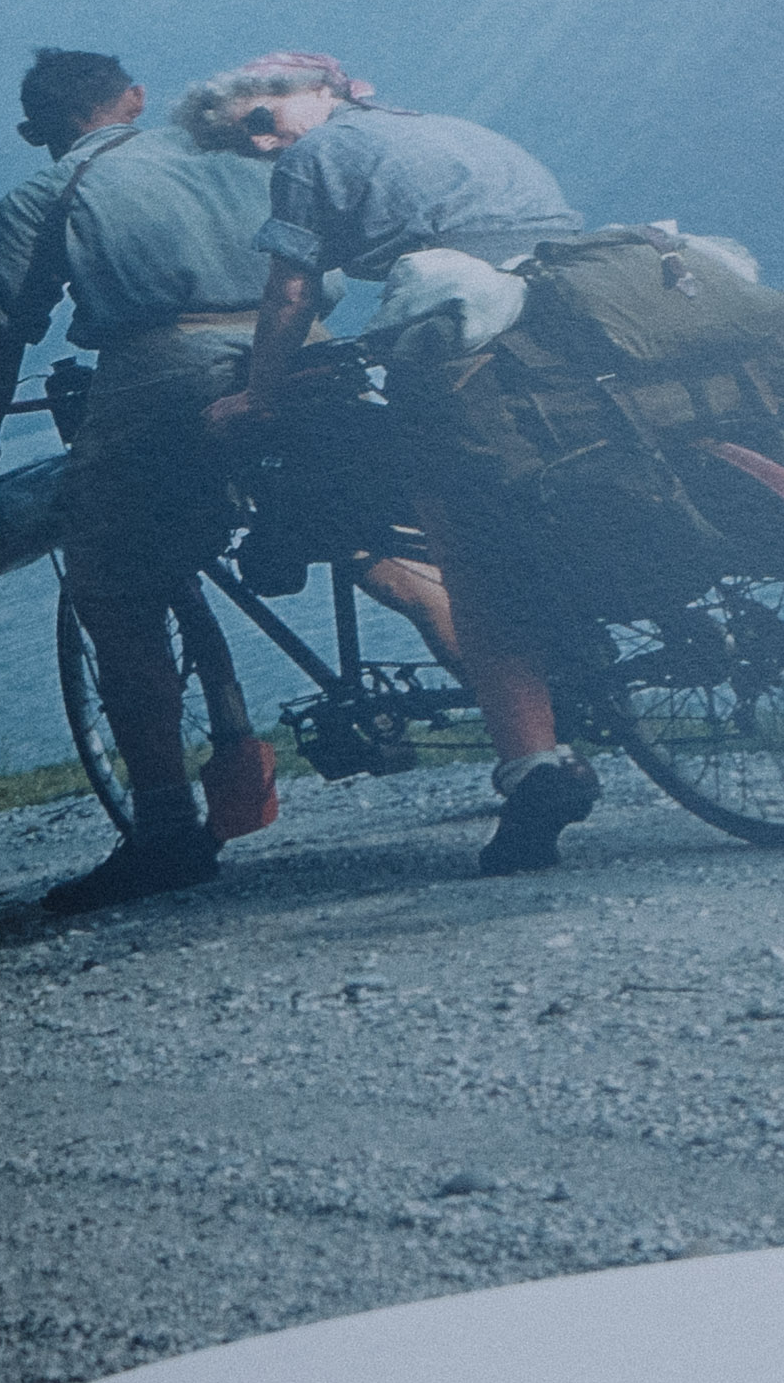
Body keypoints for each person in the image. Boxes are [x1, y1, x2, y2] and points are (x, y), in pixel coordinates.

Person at [181, 54, 606, 874]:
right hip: (568, 313)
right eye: (248, 145)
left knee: (464, 549)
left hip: (472, 329)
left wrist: (259, 397)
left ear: (328, 94)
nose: (264, 149)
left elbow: (291, 296)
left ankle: (536, 770)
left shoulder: (314, 159)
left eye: (261, 123)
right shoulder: (449, 127)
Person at [0, 47, 281, 912]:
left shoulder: (40, 194)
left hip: (168, 368)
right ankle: (532, 742)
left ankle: (166, 829)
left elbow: (5, 334)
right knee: (367, 527)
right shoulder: (225, 151)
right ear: (135, 98)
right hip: (296, 345)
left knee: (113, 581)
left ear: (33, 132)